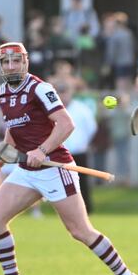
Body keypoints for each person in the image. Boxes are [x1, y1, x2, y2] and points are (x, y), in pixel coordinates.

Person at [0, 42, 138, 275]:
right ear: (0, 65)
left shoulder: (41, 88)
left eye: (16, 61)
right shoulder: (2, 93)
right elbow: (13, 128)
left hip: (55, 167)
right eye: (6, 62)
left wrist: (43, 150)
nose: (11, 66)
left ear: (25, 62)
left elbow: (66, 124)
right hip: (26, 170)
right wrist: (1, 157)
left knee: (80, 231)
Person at [55, 80, 97, 212]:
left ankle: (86, 210)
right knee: (62, 184)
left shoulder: (81, 108)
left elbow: (91, 128)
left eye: (65, 91)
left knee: (82, 183)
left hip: (79, 152)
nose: (63, 95)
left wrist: (83, 143)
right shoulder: (53, 111)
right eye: (60, 92)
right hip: (60, 153)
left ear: (71, 92)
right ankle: (66, 210)